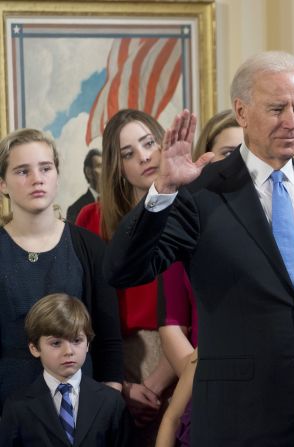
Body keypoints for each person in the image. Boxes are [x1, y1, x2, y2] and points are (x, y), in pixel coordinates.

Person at [104, 50, 294, 445]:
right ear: (242, 111)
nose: (292, 122)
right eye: (276, 109)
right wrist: (163, 190)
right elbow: (124, 269)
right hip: (237, 417)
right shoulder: (199, 193)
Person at [0, 128, 123, 411]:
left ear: (56, 175)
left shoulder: (89, 247)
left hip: (81, 408)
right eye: (22, 171)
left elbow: (108, 339)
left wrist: (107, 406)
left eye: (46, 168)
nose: (37, 179)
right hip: (10, 409)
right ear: (2, 184)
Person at [76, 110, 177, 446]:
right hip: (116, 362)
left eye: (149, 144)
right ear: (117, 167)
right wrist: (121, 384)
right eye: (128, 154)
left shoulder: (189, 209)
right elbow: (85, 309)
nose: (145, 157)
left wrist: (158, 382)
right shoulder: (93, 218)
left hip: (183, 356)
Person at [157, 109, 242, 446]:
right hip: (201, 382)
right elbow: (172, 323)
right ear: (205, 159)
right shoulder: (187, 219)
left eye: (248, 152)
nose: (240, 163)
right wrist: (202, 379)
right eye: (228, 154)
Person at [0, 293, 131, 446]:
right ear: (34, 348)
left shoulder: (112, 402)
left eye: (77, 340)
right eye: (56, 343)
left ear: (88, 343)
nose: (69, 351)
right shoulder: (17, 407)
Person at [67, 148, 101, 222]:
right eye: (99, 166)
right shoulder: (75, 209)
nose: (105, 170)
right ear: (89, 172)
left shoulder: (114, 203)